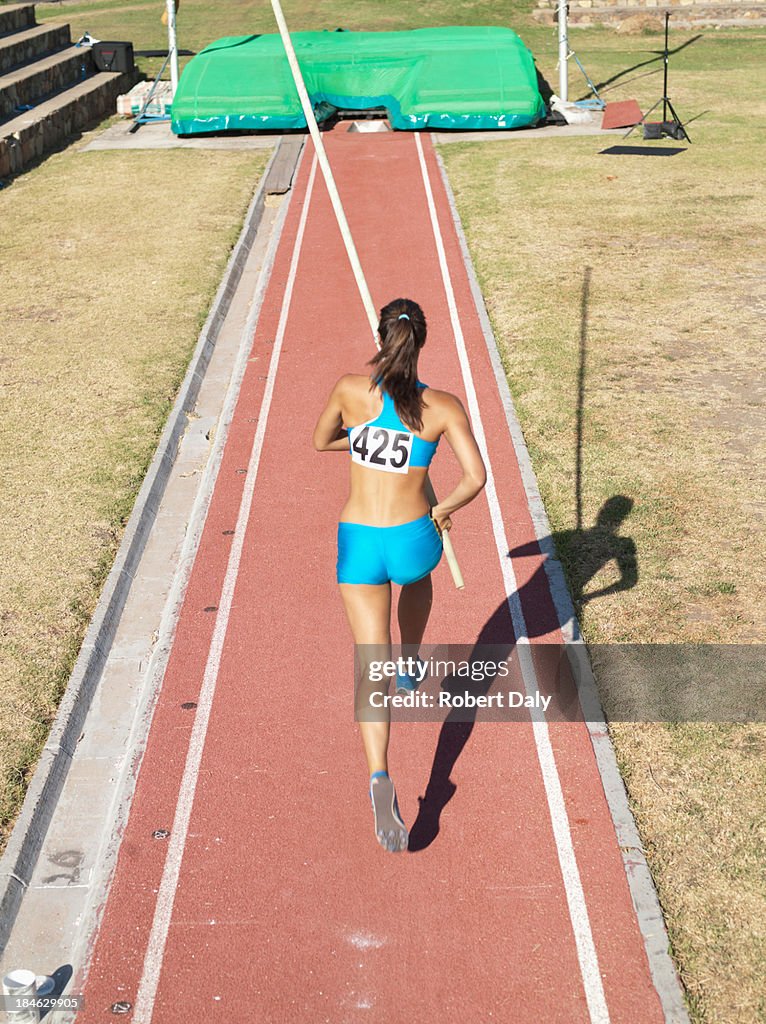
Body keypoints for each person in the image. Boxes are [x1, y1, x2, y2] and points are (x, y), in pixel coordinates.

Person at [313, 297, 486, 852]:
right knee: (418, 577)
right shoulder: (442, 406)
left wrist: (360, 441)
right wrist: (443, 510)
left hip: (359, 541)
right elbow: (475, 478)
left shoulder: (348, 390)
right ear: (422, 341)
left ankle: (380, 776)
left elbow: (321, 441)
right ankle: (412, 659)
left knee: (370, 661)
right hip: (413, 537)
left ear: (380, 334)